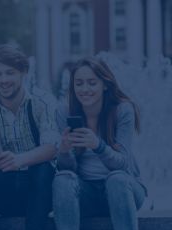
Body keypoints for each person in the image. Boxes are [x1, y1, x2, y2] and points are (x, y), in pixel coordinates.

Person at [0, 44, 59, 230]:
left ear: (24, 72)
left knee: (44, 168)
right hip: (1, 188)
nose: (3, 80)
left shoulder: (43, 101)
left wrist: (19, 160)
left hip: (36, 191)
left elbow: (52, 147)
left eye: (10, 73)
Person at [52, 57, 147, 230]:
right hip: (87, 193)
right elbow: (68, 169)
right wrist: (65, 152)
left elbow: (123, 164)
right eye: (79, 83)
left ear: (104, 84)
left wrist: (99, 146)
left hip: (125, 192)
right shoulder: (64, 112)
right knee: (62, 179)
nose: (85, 89)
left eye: (92, 83)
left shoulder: (122, 110)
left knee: (116, 179)